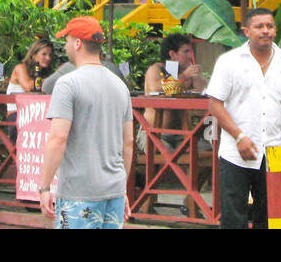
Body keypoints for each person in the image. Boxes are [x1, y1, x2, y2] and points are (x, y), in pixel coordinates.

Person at [205, 7, 281, 229]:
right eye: (259, 26)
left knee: (273, 217)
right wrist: (239, 136)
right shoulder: (229, 61)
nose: (266, 31)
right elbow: (215, 104)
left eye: (270, 26)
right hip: (235, 152)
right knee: (234, 217)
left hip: (274, 152)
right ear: (246, 31)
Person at [38, 18, 134, 230]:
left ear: (78, 43)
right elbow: (128, 142)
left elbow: (58, 139)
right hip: (114, 190)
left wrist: (44, 187)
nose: (65, 46)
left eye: (68, 39)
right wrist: (123, 189)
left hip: (79, 191)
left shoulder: (67, 83)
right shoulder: (120, 86)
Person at [142, 33, 205, 134]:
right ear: (172, 54)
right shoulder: (156, 69)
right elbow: (156, 88)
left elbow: (203, 89)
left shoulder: (186, 72)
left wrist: (196, 75)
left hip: (181, 134)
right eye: (186, 51)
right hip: (153, 134)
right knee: (164, 149)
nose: (190, 56)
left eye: (190, 51)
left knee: (202, 148)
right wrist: (184, 76)